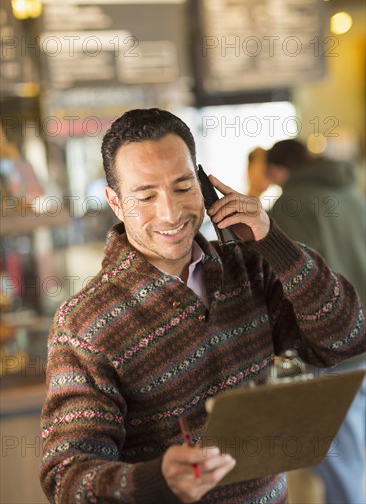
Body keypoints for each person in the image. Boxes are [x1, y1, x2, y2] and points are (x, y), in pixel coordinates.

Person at [40, 109, 365, 504]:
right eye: (146, 195)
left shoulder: (249, 268)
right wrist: (155, 482)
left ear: (205, 185)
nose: (171, 213)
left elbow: (347, 337)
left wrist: (273, 243)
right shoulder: (83, 324)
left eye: (183, 187)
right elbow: (67, 476)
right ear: (115, 202)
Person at [266, 138, 366, 504]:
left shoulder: (289, 205)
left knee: (342, 466)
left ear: (278, 171)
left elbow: (288, 282)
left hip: (331, 350)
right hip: (362, 341)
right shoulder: (351, 194)